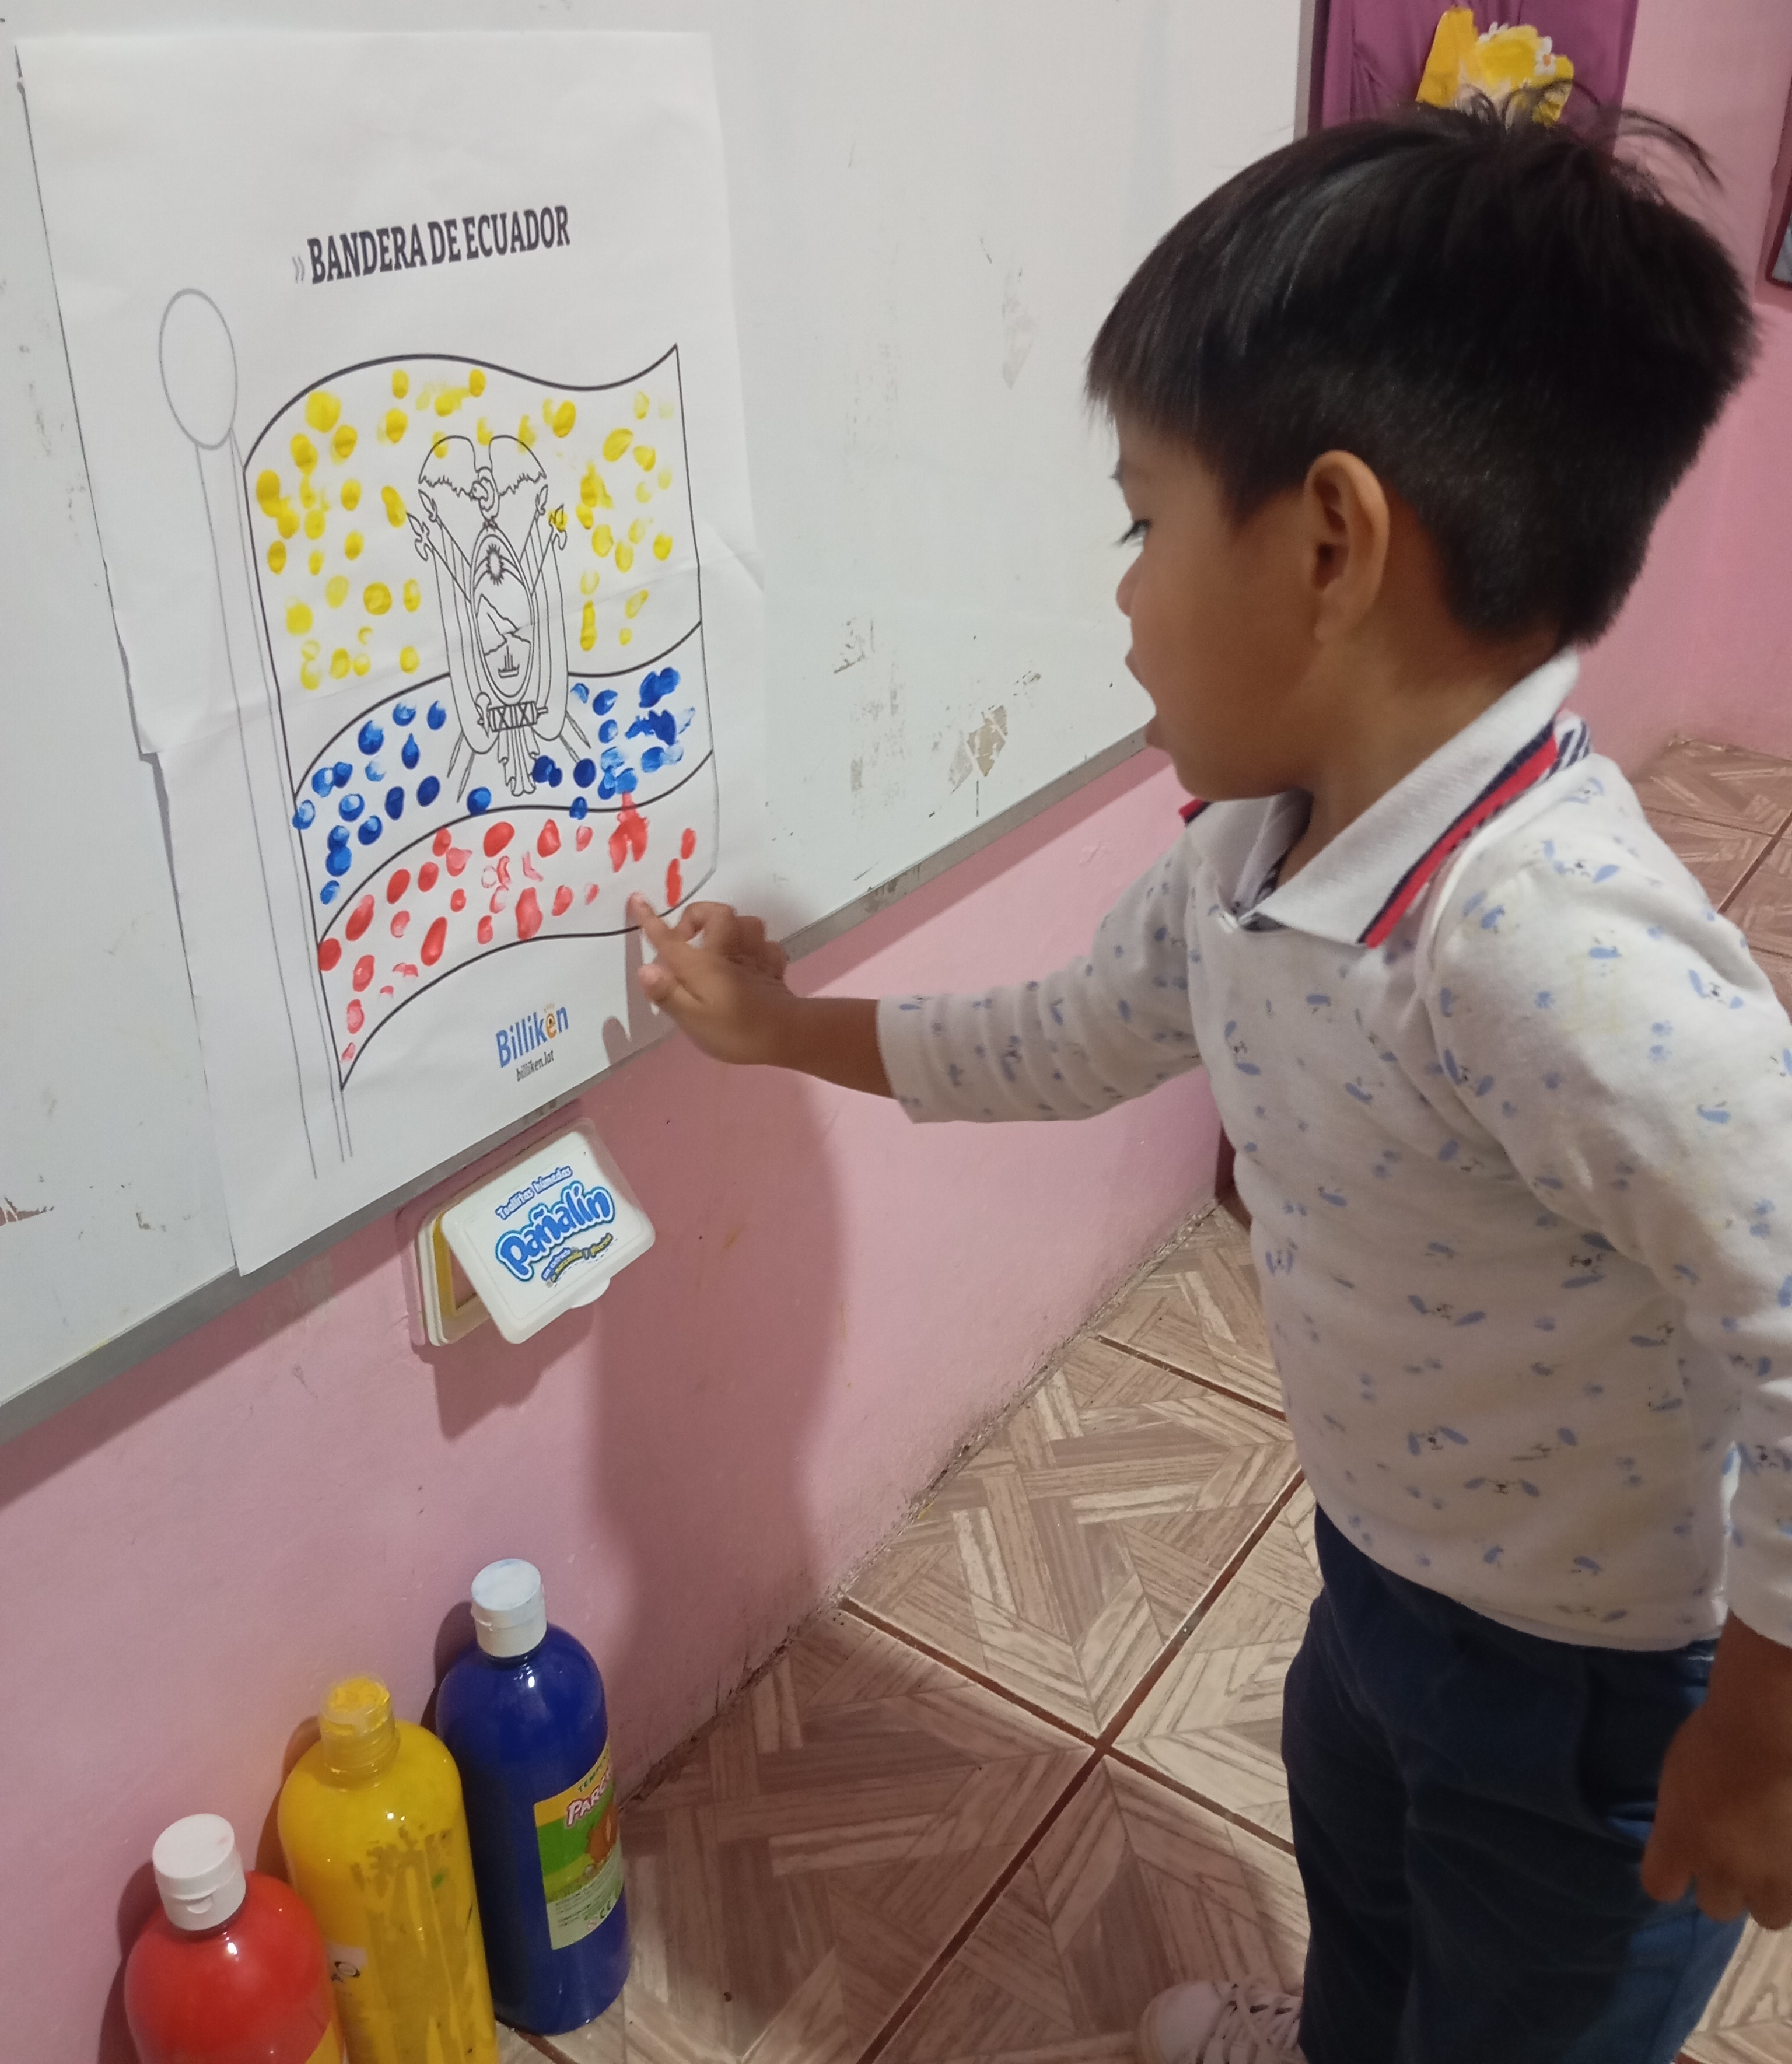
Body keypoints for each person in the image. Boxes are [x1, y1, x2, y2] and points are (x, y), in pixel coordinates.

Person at [627, 102, 1792, 2064]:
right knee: (1363, 1873)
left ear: (1330, 545)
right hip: (1388, 1573)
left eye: (1142, 524)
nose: (1122, 594)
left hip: (1598, 1692)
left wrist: (1764, 1719)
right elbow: (1060, 1038)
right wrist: (784, 1029)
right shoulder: (1249, 851)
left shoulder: (1546, 950)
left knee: (1524, 2009)